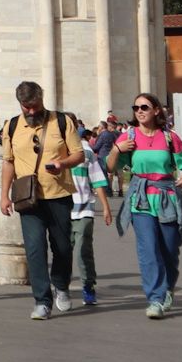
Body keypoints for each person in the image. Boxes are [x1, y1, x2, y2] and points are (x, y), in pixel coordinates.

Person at [0, 79, 83, 320]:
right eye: (27, 107)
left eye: (35, 105)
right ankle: (42, 300)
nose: (32, 111)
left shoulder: (62, 121)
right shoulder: (12, 126)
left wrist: (62, 163)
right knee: (35, 249)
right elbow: (8, 162)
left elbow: (78, 154)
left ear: (42, 99)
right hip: (29, 198)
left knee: (63, 247)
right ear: (20, 105)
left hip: (59, 195)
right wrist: (4, 196)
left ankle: (61, 285)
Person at [108, 92, 182, 318]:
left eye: (144, 107)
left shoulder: (169, 137)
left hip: (166, 197)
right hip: (141, 199)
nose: (139, 111)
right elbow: (110, 166)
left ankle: (167, 289)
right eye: (136, 108)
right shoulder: (129, 136)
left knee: (169, 250)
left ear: (156, 110)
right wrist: (117, 149)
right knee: (148, 250)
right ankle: (155, 298)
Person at [69, 125, 112, 307]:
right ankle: (61, 286)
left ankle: (88, 284)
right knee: (62, 251)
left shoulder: (86, 152)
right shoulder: (53, 151)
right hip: (62, 210)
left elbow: (97, 180)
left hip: (84, 207)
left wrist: (106, 207)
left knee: (82, 250)